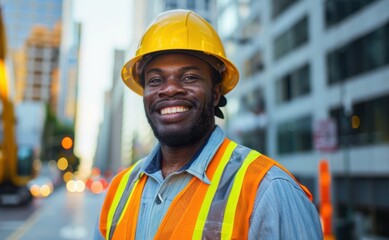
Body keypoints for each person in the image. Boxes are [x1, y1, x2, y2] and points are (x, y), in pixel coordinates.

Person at [95, 9, 323, 240]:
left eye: (189, 77)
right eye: (155, 80)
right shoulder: (119, 190)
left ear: (215, 94)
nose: (170, 89)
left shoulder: (269, 190)